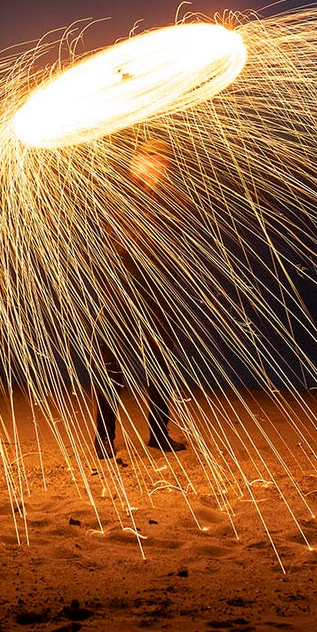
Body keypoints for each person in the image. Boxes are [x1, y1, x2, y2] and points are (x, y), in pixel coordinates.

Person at [94, 137, 189, 459]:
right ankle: (104, 439)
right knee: (112, 368)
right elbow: (116, 238)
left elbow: (177, 237)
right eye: (152, 159)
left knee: (162, 365)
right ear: (137, 162)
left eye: (164, 162)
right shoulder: (120, 195)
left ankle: (158, 435)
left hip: (158, 295)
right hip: (121, 293)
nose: (159, 166)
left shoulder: (171, 199)